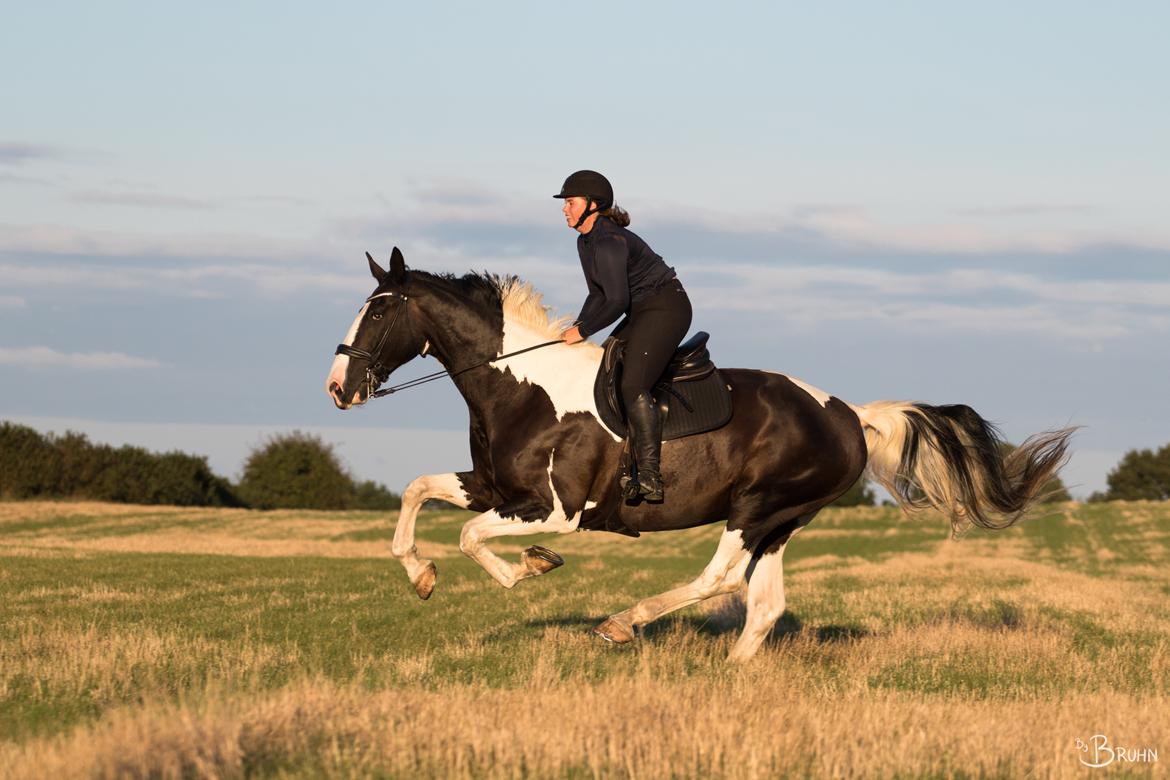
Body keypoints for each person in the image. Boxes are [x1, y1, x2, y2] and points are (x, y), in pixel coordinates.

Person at [555, 170, 692, 502]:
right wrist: (575, 329)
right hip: (640, 311)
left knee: (633, 384)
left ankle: (649, 475)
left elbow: (616, 301)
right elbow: (597, 295)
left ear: (592, 205)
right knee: (605, 371)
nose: (565, 209)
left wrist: (584, 329)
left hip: (666, 308)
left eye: (570, 202)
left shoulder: (610, 241)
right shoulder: (584, 241)